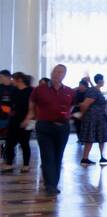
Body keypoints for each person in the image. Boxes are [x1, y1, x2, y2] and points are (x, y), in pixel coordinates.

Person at [26, 63, 75, 194]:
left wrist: (70, 116)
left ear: (64, 75)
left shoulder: (69, 91)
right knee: (47, 155)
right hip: (45, 126)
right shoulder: (40, 89)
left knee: (58, 156)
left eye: (61, 72)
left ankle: (54, 183)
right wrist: (30, 115)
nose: (57, 74)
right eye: (55, 71)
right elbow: (32, 102)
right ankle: (50, 185)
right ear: (51, 73)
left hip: (62, 128)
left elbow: (72, 106)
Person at [77, 74, 107, 165]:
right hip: (92, 117)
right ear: (100, 81)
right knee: (90, 137)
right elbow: (85, 104)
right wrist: (81, 115)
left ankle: (102, 157)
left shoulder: (96, 90)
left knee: (101, 137)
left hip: (99, 117)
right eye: (103, 80)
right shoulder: (93, 90)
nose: (104, 82)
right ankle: (85, 158)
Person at [2, 72, 32, 172]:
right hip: (13, 119)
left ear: (19, 80)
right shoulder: (14, 90)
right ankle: (9, 163)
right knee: (9, 142)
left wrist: (27, 119)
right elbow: (11, 104)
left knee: (24, 143)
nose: (11, 81)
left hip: (25, 119)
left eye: (13, 79)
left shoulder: (30, 91)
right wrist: (9, 110)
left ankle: (26, 164)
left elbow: (32, 107)